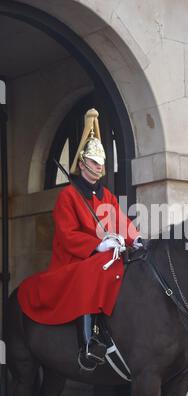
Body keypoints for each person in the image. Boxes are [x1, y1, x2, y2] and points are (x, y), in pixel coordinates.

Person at [18, 108, 142, 371]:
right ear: (83, 163)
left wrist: (135, 239)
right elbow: (67, 235)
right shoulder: (68, 196)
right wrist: (98, 244)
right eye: (95, 163)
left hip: (100, 258)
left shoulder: (105, 194)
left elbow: (120, 221)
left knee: (119, 265)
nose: (100, 168)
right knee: (95, 267)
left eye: (102, 163)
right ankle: (87, 342)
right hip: (73, 260)